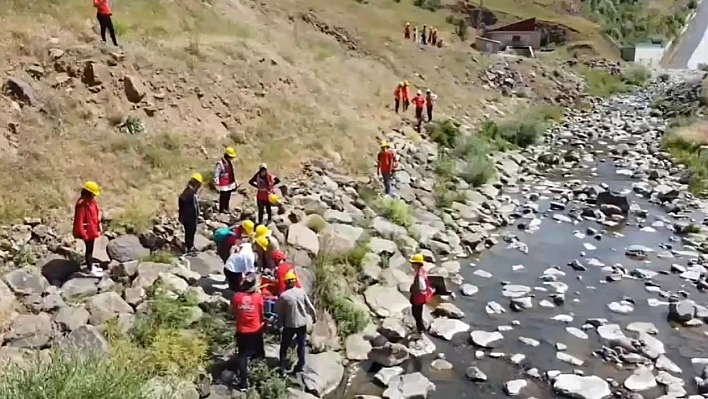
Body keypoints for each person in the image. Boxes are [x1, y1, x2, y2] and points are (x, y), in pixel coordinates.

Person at [276, 270, 317, 374]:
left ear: (285, 283)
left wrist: (279, 325)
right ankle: (301, 365)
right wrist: (314, 316)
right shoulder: (301, 292)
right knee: (301, 345)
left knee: (284, 346)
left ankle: (282, 366)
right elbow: (310, 306)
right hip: (302, 324)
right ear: (294, 282)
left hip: (289, 325)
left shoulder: (284, 296)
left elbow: (279, 313)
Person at [231, 273, 265, 391]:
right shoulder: (257, 297)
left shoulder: (237, 297)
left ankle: (243, 383)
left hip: (242, 330)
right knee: (259, 350)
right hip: (256, 329)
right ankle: (261, 375)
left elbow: (233, 311)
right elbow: (262, 312)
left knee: (242, 356)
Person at [73, 181, 103, 277]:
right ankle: (90, 270)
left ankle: (90, 266)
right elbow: (79, 219)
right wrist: (83, 233)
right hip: (87, 231)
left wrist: (98, 226)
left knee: (91, 248)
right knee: (89, 250)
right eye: (93, 194)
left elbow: (95, 215)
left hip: (91, 229)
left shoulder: (90, 202)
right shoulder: (82, 204)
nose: (94, 196)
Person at [409, 254, 434, 338]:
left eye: (413, 263)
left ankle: (420, 331)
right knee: (418, 313)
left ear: (417, 264)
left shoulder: (420, 275)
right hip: (420, 299)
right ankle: (421, 329)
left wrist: (419, 291)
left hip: (417, 298)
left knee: (416, 314)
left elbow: (422, 287)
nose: (412, 265)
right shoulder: (422, 271)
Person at [178, 173, 202, 255]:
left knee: (192, 231)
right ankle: (189, 247)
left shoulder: (191, 192)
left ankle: (191, 246)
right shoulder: (188, 192)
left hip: (191, 216)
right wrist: (183, 213)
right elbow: (181, 201)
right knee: (190, 232)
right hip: (188, 217)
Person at [214, 147, 237, 214]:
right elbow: (216, 173)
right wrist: (216, 182)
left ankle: (226, 208)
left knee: (228, 196)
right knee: (223, 197)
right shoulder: (220, 164)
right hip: (223, 184)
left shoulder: (229, 163)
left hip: (228, 183)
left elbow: (231, 173)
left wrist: (234, 182)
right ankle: (222, 209)